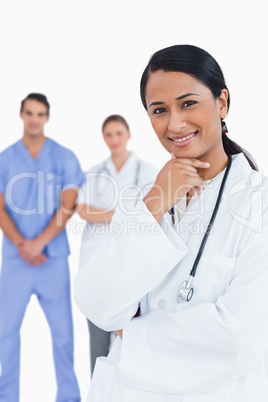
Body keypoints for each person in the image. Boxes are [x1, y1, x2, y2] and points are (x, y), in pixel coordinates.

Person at [74, 45, 268, 402]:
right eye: (159, 110)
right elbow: (95, 301)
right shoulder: (149, 196)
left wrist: (129, 335)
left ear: (222, 102)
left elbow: (236, 338)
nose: (175, 123)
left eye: (188, 103)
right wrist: (153, 204)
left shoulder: (258, 202)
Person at [0, 93, 84, 401]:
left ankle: (69, 397)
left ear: (47, 118)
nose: (34, 119)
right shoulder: (6, 159)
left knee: (63, 335)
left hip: (52, 258)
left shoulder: (64, 157)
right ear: (21, 115)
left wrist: (39, 244)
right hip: (15, 259)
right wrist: (23, 244)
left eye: (40, 114)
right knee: (5, 335)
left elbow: (69, 204)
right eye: (30, 113)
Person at [76, 114, 158, 376]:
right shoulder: (93, 173)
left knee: (133, 348)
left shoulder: (147, 172)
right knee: (98, 350)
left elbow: (153, 212)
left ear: (128, 135)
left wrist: (107, 214)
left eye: (118, 134)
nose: (114, 140)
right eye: (108, 135)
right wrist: (124, 215)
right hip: (96, 271)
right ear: (104, 138)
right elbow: (83, 210)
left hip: (132, 272)